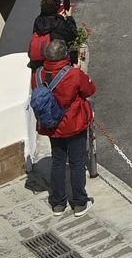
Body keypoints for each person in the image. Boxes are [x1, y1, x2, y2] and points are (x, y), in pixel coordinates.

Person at [34, 39, 96, 216]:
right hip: (73, 123)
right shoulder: (73, 74)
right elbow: (90, 89)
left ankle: (58, 204)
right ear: (65, 55)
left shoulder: (37, 75)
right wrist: (79, 71)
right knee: (76, 162)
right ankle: (79, 203)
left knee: (58, 161)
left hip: (51, 125)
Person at [27, 0, 79, 71]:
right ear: (57, 8)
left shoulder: (38, 20)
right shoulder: (59, 22)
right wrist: (69, 17)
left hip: (37, 61)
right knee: (74, 52)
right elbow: (73, 35)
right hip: (54, 60)